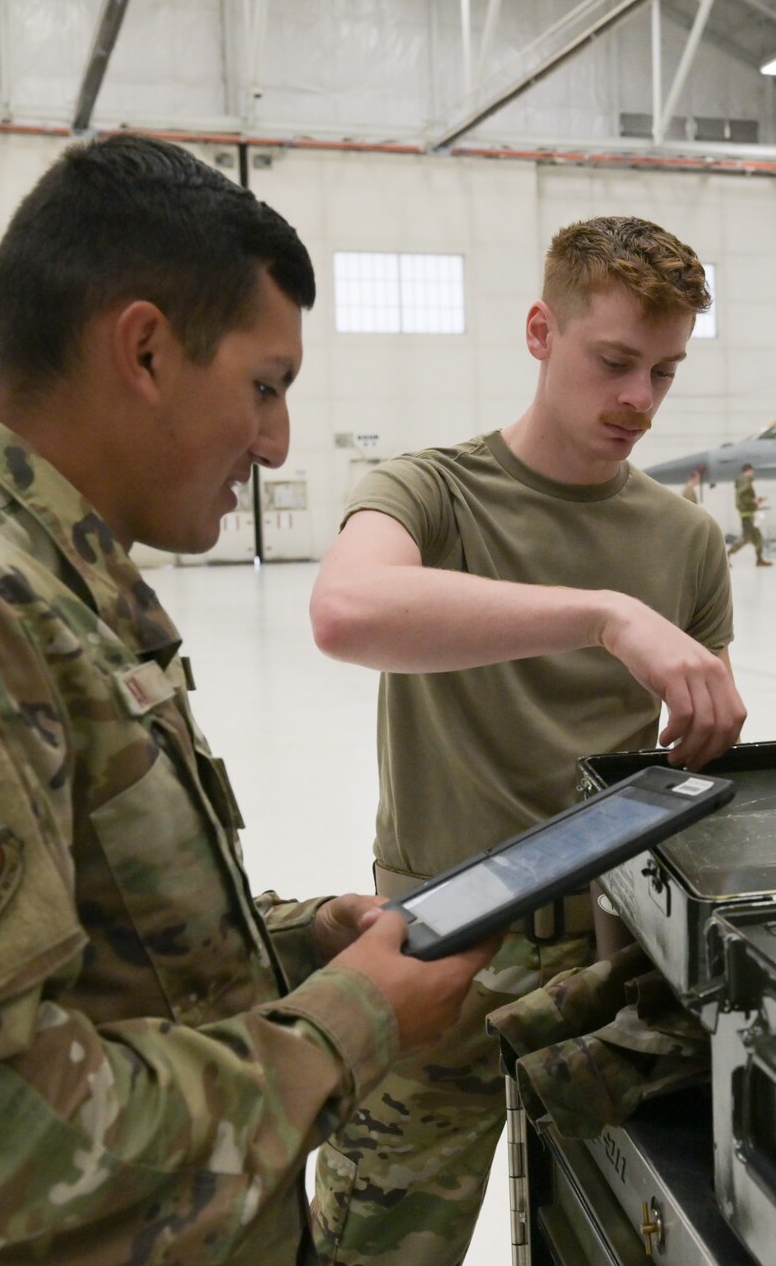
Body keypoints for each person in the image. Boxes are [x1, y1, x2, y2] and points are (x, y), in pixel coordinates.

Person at [0, 133, 493, 1266]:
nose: (275, 445)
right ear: (142, 349)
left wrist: (293, 946)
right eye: (264, 388)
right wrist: (352, 1022)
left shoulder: (43, 591)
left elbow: (90, 957)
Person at [307, 215, 746, 1266]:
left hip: (611, 967)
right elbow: (346, 608)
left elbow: (696, 755)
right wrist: (601, 610)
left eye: (664, 371)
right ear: (540, 331)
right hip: (438, 956)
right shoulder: (434, 491)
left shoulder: (683, 539)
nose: (638, 399)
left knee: (602, 1233)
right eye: (613, 361)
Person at [727, 461, 772, 565]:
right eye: (752, 471)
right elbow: (742, 498)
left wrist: (754, 503)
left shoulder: (743, 481)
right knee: (745, 538)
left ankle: (759, 559)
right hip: (747, 516)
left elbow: (743, 497)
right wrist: (754, 501)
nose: (753, 473)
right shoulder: (745, 480)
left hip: (749, 514)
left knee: (757, 537)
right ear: (749, 471)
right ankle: (727, 554)